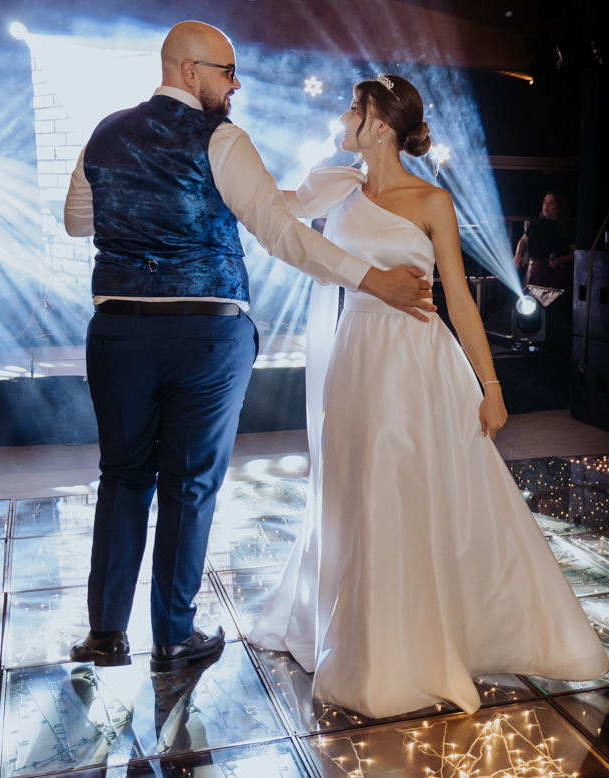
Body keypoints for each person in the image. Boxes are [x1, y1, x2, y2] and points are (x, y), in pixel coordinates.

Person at [62, 22, 434, 673]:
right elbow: (282, 235)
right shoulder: (223, 139)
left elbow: (75, 222)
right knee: (188, 483)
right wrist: (375, 281)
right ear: (189, 71)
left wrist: (139, 204)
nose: (235, 85)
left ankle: (105, 633)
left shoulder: (105, 133)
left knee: (122, 475)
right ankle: (173, 637)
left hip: (118, 331)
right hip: (205, 335)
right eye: (226, 71)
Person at [247, 74, 609, 719]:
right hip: (355, 352)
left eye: (353, 108)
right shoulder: (338, 185)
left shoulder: (431, 201)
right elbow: (266, 205)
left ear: (380, 124)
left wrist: (491, 387)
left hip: (414, 358)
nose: (343, 117)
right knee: (354, 482)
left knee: (405, 483)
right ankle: (354, 628)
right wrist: (218, 153)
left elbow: (461, 300)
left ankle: (417, 640)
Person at [513, 191, 576, 288]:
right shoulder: (535, 225)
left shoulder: (566, 228)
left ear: (559, 208)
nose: (546, 205)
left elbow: (575, 253)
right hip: (534, 273)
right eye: (545, 202)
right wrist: (518, 254)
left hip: (556, 276)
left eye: (551, 203)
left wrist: (560, 260)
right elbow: (523, 241)